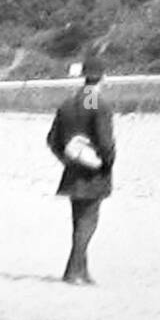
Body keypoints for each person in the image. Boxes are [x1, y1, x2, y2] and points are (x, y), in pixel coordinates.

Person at [46, 56, 116, 285]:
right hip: (92, 173)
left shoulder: (69, 102)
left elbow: (52, 139)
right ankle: (73, 271)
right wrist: (106, 162)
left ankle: (81, 271)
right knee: (88, 222)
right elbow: (105, 142)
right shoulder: (95, 102)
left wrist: (67, 158)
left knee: (79, 222)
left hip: (73, 170)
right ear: (103, 77)